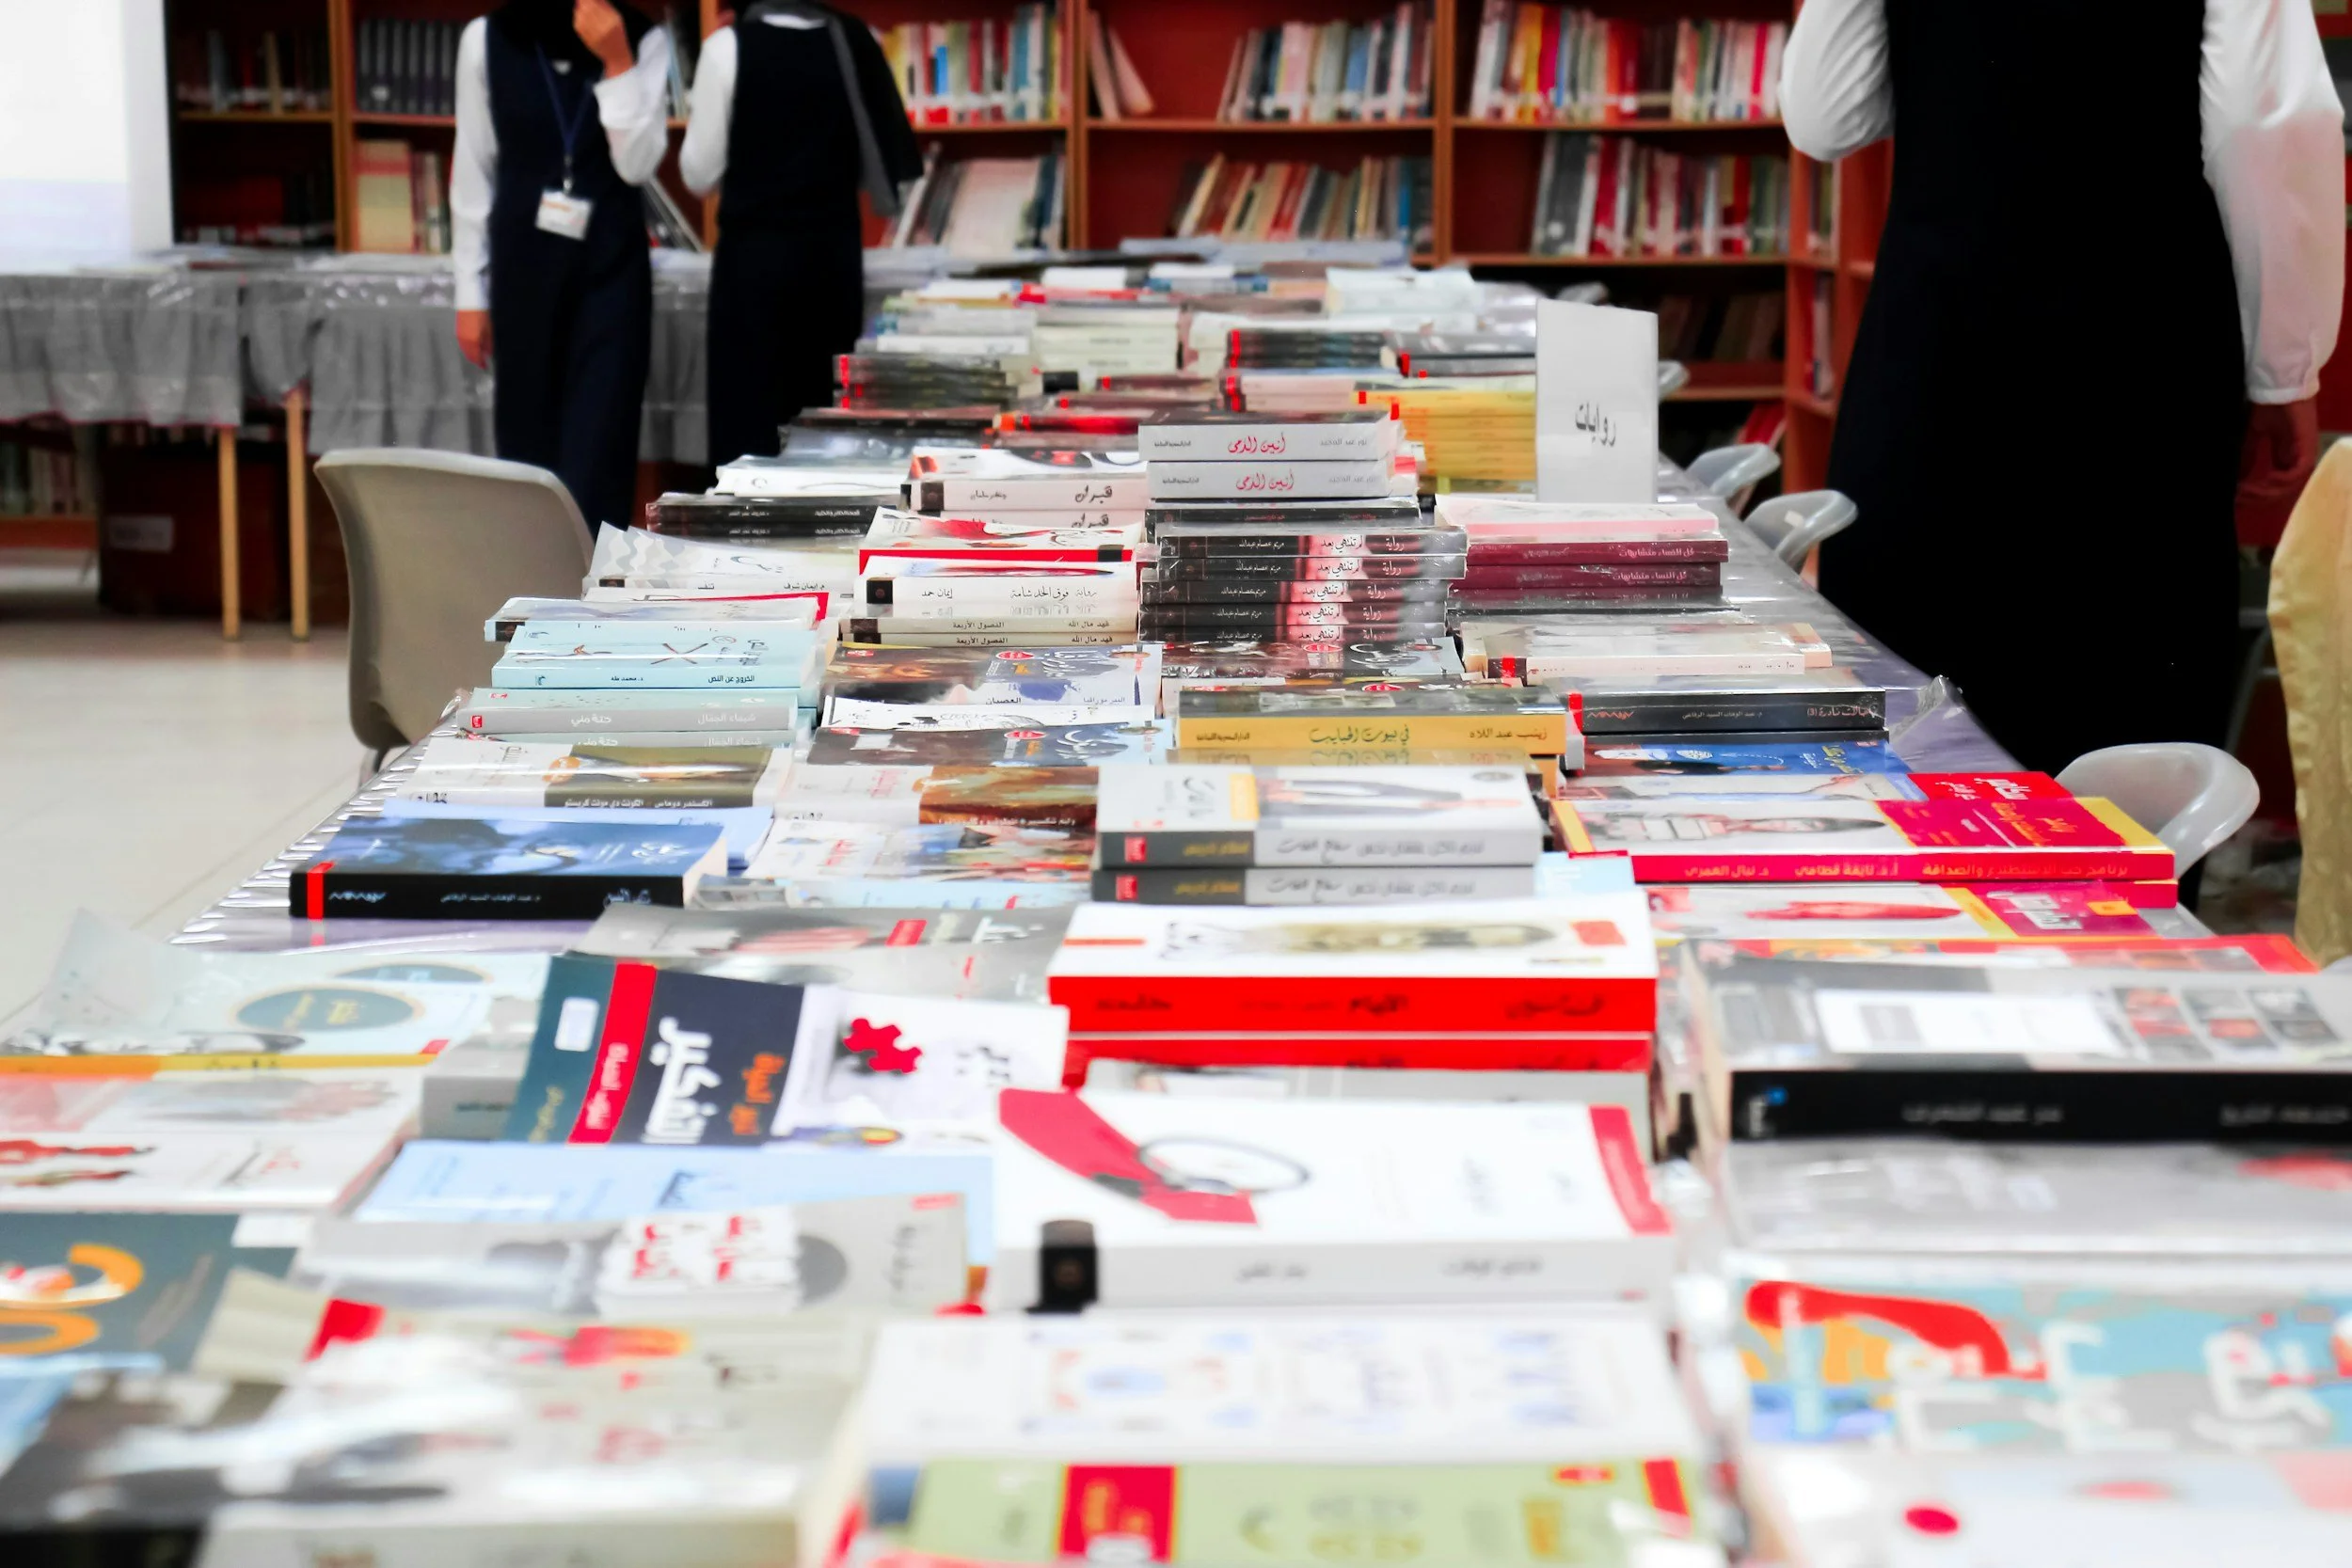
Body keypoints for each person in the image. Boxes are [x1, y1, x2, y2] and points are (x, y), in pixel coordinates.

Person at [1783, 0, 2344, 773]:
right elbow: (2266, 127)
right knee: (2122, 776)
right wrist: (2284, 369)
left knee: (1912, 776)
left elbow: (1822, 114)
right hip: (2131, 389)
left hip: (1935, 384)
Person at [452, 0, 673, 536]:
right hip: (522, 271)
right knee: (527, 449)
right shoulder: (487, 38)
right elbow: (473, 168)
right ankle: (530, 605)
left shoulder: (642, 39)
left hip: (610, 277)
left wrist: (617, 62)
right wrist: (469, 293)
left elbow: (638, 164)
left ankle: (591, 608)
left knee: (601, 443)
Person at [679, 2, 920, 467]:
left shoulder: (727, 48)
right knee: (824, 436)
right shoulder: (855, 38)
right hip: (833, 266)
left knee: (748, 438)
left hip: (754, 272)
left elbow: (697, 174)